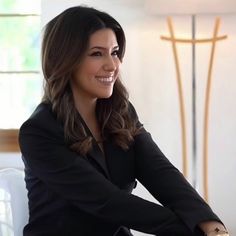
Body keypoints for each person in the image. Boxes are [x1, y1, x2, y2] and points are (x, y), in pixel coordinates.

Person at [19, 5, 229, 236]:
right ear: (66, 60)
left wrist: (211, 225)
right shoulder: (38, 132)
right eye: (97, 53)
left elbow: (161, 172)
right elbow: (107, 202)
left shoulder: (120, 113)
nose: (112, 65)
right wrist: (192, 231)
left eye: (115, 52)